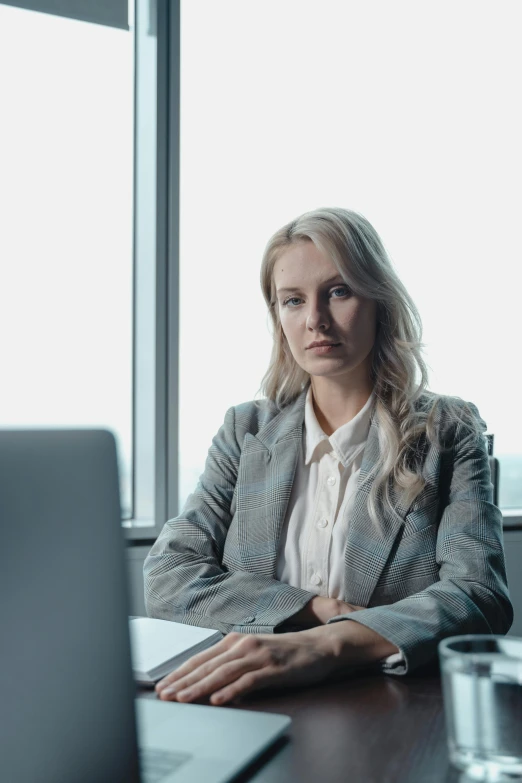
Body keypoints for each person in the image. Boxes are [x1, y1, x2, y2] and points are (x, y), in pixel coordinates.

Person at [144, 207, 512, 707]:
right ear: (278, 316)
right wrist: (315, 609)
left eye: (338, 291)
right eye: (293, 300)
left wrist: (330, 643)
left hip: (390, 706)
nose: (315, 319)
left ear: (378, 299)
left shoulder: (446, 430)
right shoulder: (245, 431)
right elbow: (169, 576)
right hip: (246, 699)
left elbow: (478, 596)